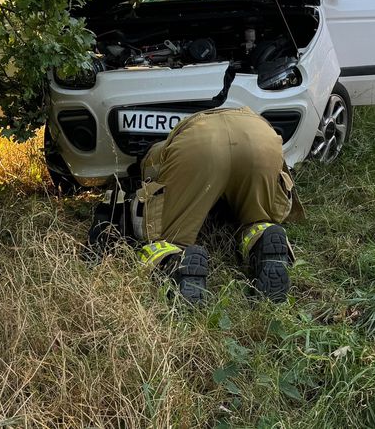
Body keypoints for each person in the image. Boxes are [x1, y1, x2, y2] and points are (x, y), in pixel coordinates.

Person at [127, 107, 302, 303]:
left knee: (169, 239)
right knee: (258, 219)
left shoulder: (159, 153)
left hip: (198, 146)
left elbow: (153, 196)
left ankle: (175, 263)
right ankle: (263, 238)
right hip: (260, 136)